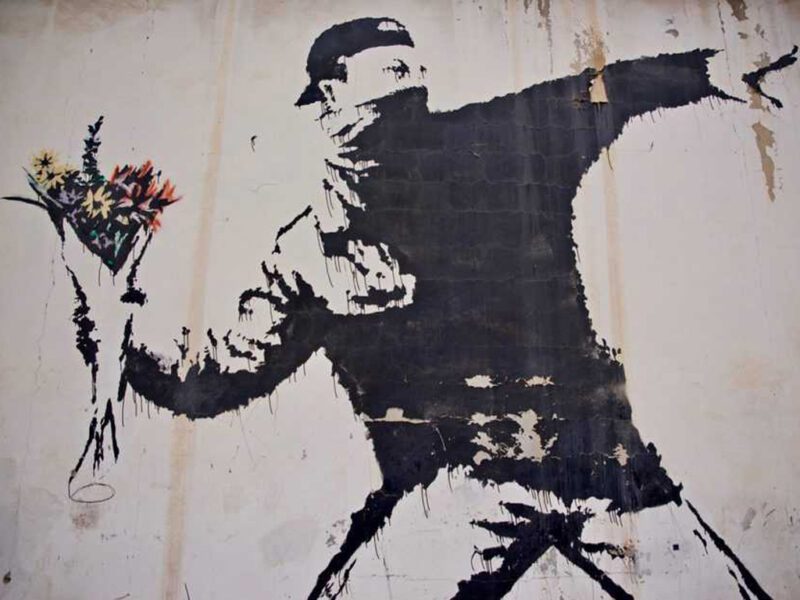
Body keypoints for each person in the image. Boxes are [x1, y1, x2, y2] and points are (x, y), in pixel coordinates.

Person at [50, 17, 793, 599]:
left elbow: (603, 89)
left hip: (604, 474)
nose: (412, 84)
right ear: (331, 92)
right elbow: (214, 382)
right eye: (391, 70)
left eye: (414, 70)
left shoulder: (498, 142)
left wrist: (705, 70)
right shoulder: (310, 247)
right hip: (464, 495)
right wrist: (113, 330)